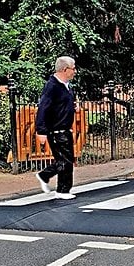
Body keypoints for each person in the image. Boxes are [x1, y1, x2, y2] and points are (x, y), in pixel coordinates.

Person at [35, 56, 78, 200]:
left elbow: (61, 104)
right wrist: (41, 130)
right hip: (57, 131)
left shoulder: (65, 86)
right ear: (65, 69)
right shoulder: (52, 86)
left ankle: (61, 188)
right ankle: (51, 180)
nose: (75, 71)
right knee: (65, 161)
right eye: (73, 68)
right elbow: (43, 108)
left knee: (66, 160)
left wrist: (72, 107)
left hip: (64, 129)